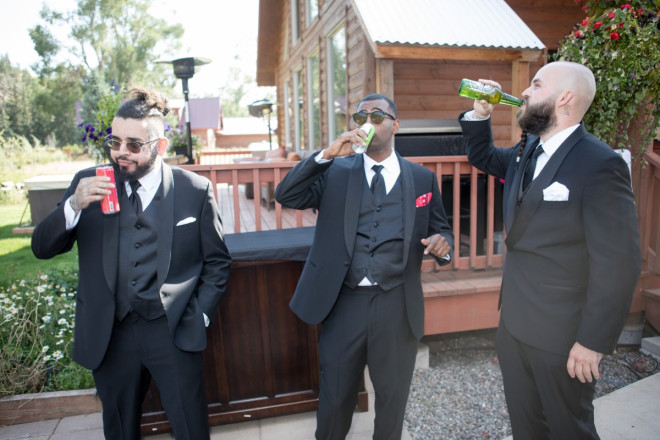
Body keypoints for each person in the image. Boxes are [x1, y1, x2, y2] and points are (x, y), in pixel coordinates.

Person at [32, 88, 232, 440]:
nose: (121, 153)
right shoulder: (88, 184)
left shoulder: (194, 190)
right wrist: (73, 206)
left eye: (134, 145)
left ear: (160, 145)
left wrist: (199, 314)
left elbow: (217, 261)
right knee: (120, 428)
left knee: (190, 426)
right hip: (111, 332)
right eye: (115, 142)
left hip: (171, 328)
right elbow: (42, 247)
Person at [458, 61, 641, 439]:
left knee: (568, 429)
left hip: (563, 337)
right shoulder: (528, 152)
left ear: (565, 98)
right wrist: (480, 113)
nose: (524, 92)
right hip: (513, 327)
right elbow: (484, 158)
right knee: (527, 428)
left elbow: (618, 263)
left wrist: (592, 342)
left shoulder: (599, 163)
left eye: (536, 85)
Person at [275, 93, 454, 439]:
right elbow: (287, 195)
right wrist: (326, 155)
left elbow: (440, 227)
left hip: (397, 305)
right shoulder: (336, 172)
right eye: (361, 117)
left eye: (377, 116)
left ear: (395, 125)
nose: (367, 123)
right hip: (344, 302)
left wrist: (441, 245)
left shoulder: (421, 179)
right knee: (335, 396)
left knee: (392, 399)